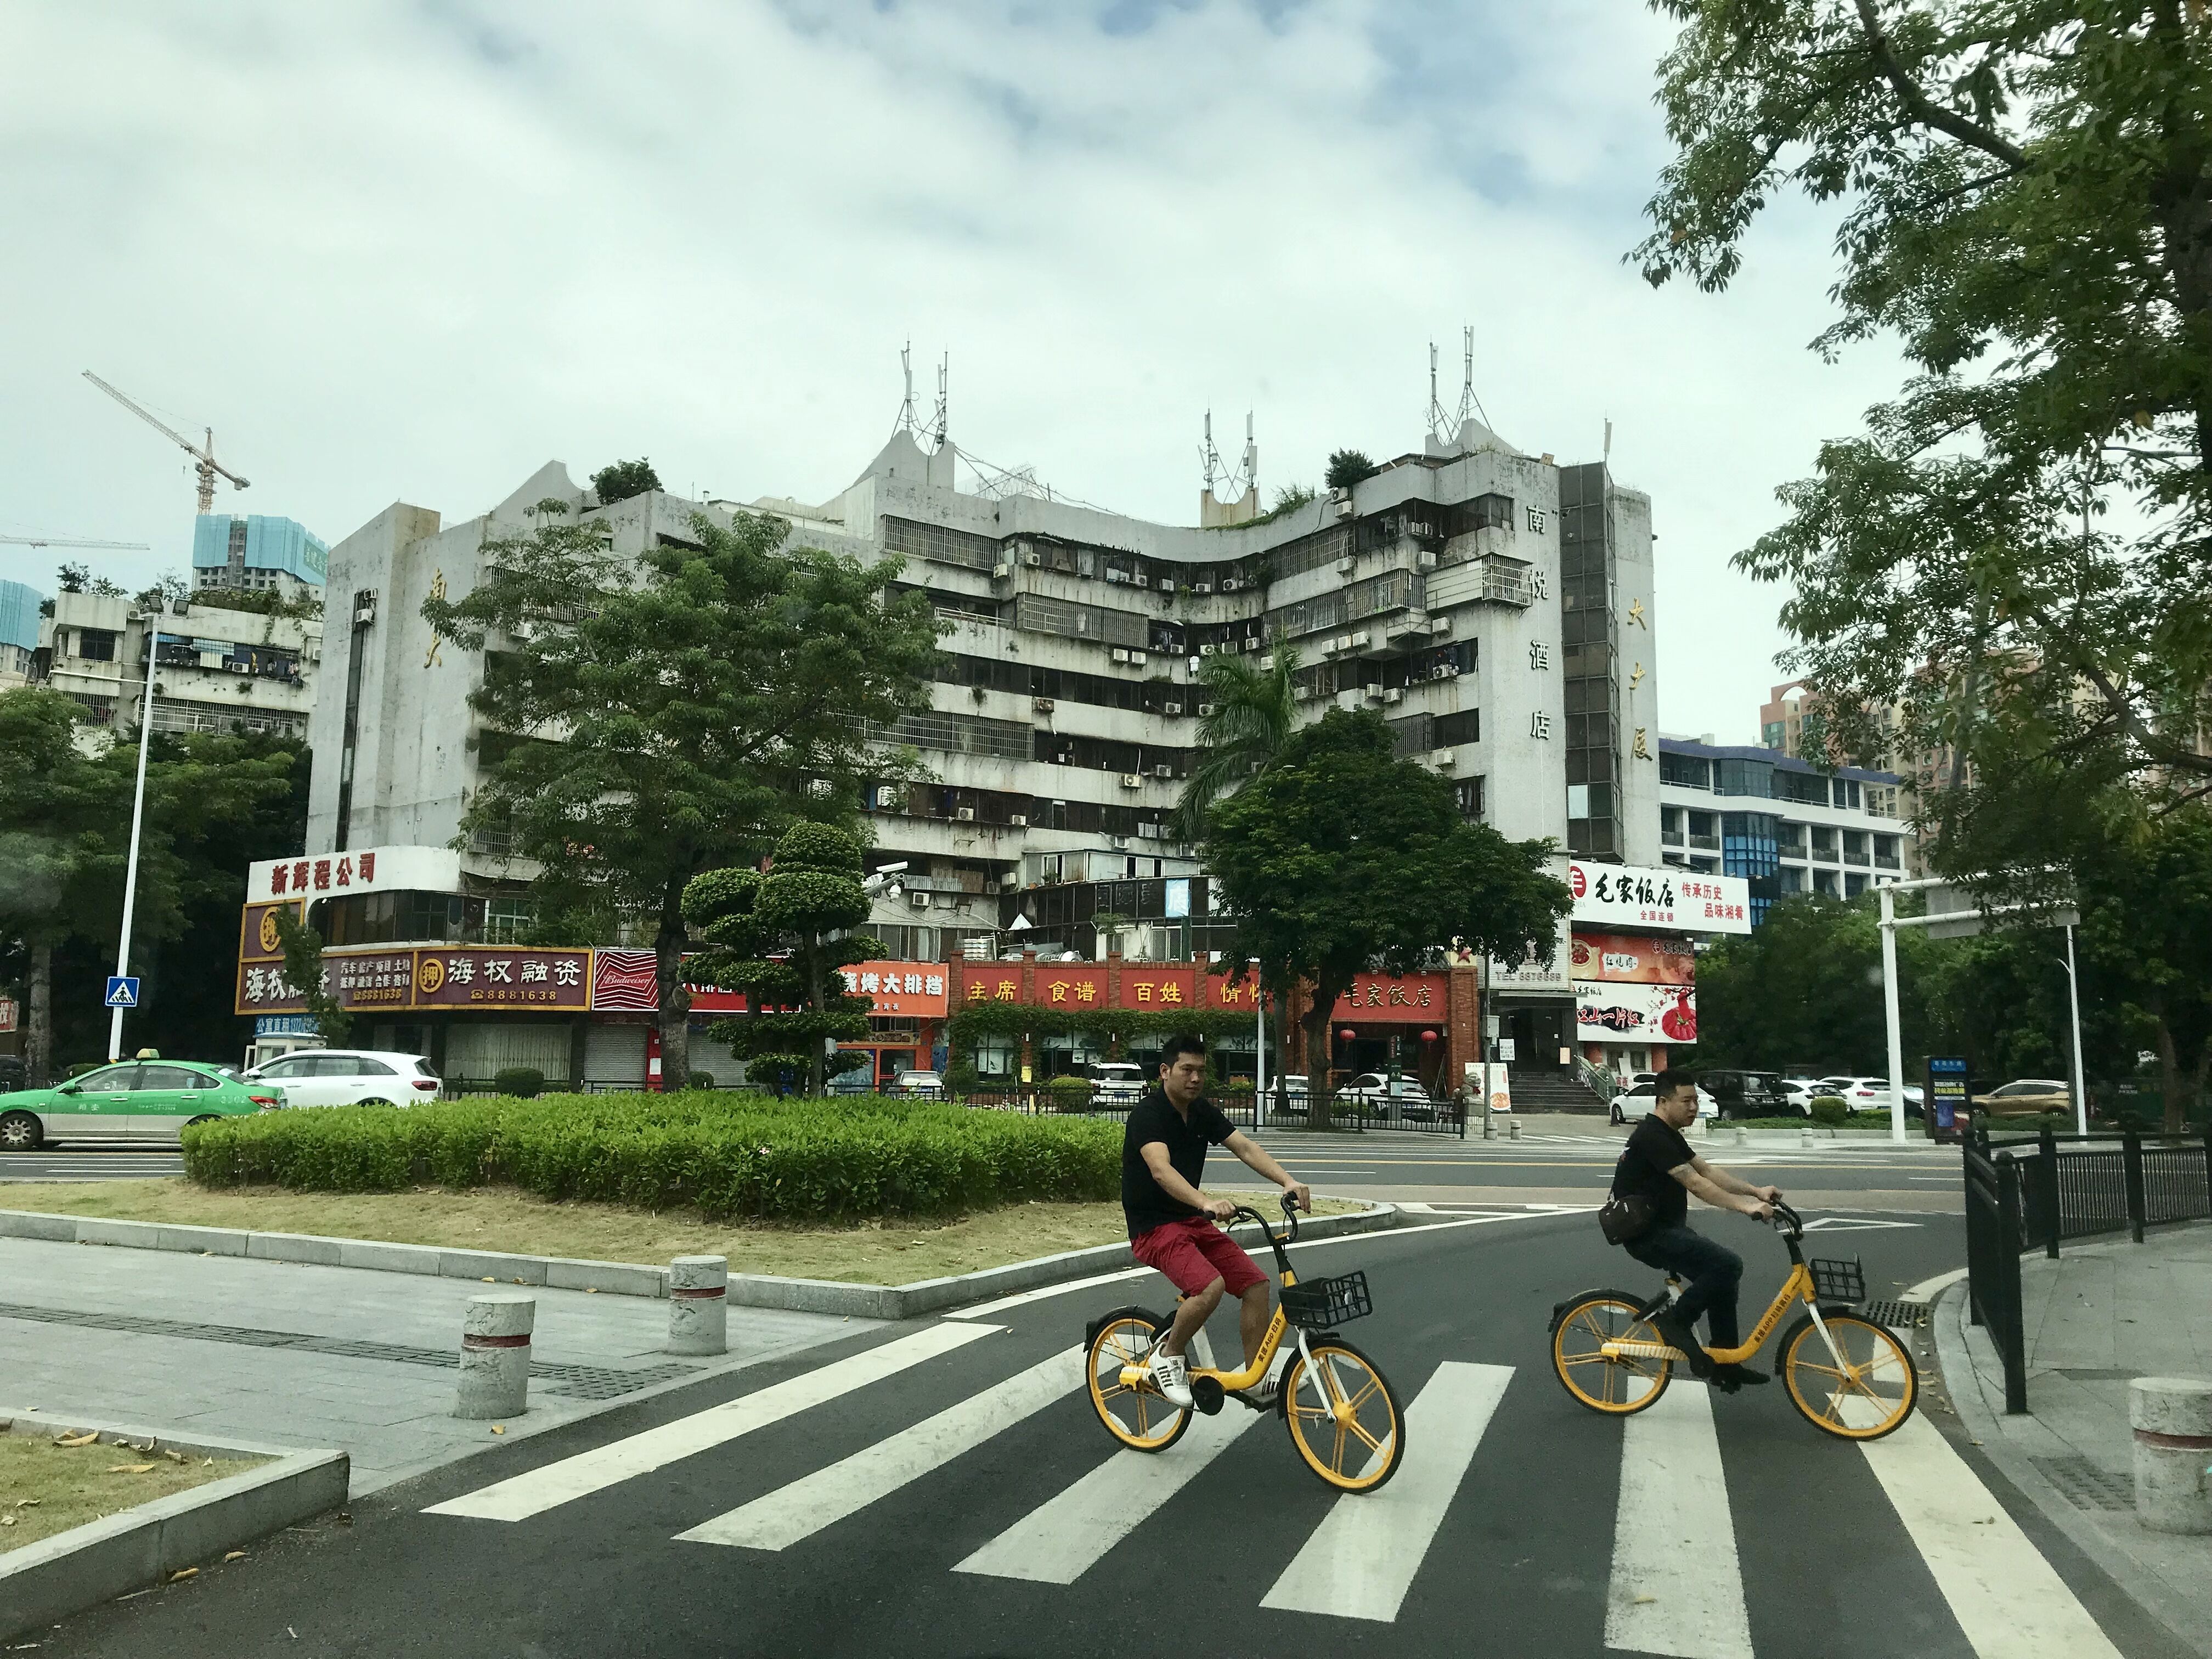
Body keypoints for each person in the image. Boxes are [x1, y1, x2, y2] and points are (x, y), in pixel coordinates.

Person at [1123, 1032, 1311, 1409]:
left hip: (1191, 1222)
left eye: (1201, 1071)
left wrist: (1287, 1180)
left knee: (1256, 1285)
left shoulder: (1201, 1112)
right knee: (1209, 1287)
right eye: (1187, 1070)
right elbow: (1161, 1170)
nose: (1195, 1078)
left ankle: (1255, 1377)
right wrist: (1204, 1201)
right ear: (1165, 1071)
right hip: (1154, 1227)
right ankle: (1167, 1355)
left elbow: (1244, 1147)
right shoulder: (1148, 1115)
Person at [1610, 1068, 1782, 1389]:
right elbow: (1696, 1184)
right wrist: (1746, 1208)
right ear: (1663, 1101)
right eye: (1686, 1101)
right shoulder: (1651, 1136)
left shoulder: (1669, 1133)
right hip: (1648, 1235)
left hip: (1668, 1229)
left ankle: (1725, 1363)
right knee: (1728, 1264)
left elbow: (1707, 1171)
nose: (1694, 1107)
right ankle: (1675, 1323)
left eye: (1696, 1100)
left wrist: (1755, 1192)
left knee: (1723, 1278)